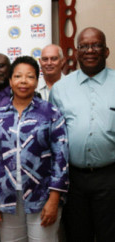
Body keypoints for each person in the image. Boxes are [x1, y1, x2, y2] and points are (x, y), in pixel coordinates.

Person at [0, 56, 69, 242]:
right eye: (18, 76)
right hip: (8, 199)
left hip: (43, 197)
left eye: (29, 76)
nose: (23, 81)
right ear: (10, 81)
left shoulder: (50, 112)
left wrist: (54, 199)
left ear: (37, 81)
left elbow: (61, 159)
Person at [49, 27, 115, 242]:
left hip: (110, 177)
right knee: (77, 235)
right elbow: (53, 137)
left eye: (96, 45)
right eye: (83, 46)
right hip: (73, 179)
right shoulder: (60, 89)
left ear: (106, 51)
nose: (89, 50)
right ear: (76, 52)